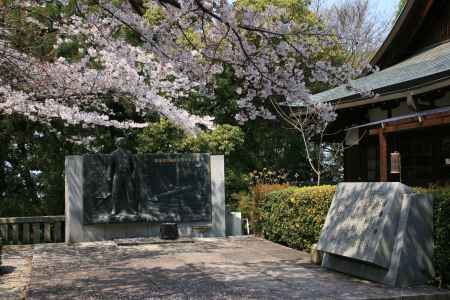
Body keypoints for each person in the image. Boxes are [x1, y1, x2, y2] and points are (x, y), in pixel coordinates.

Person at [107, 137, 137, 216]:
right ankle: (114, 208)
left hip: (127, 175)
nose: (123, 142)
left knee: (130, 191)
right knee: (115, 192)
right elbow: (110, 166)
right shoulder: (113, 154)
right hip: (117, 175)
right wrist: (109, 176)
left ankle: (131, 208)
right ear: (117, 143)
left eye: (123, 141)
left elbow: (134, 165)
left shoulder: (129, 153)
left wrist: (133, 173)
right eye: (121, 141)